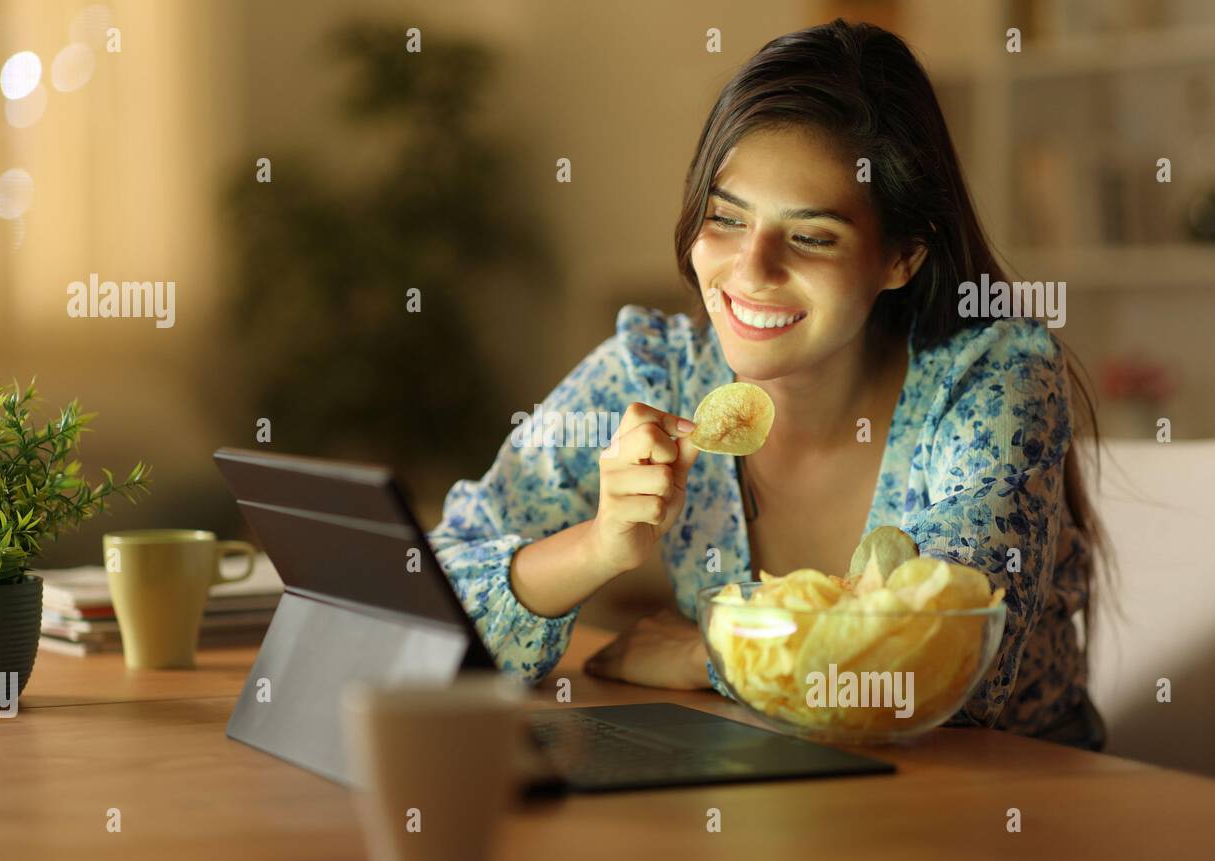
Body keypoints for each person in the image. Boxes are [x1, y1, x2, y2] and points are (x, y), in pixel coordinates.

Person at [427, 19, 1108, 750]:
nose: (751, 270)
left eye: (811, 236)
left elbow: (935, 669)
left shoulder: (992, 381)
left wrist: (708, 653)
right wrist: (599, 547)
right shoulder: (656, 372)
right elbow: (425, 611)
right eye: (725, 218)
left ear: (902, 256)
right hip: (768, 793)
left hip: (1006, 816)